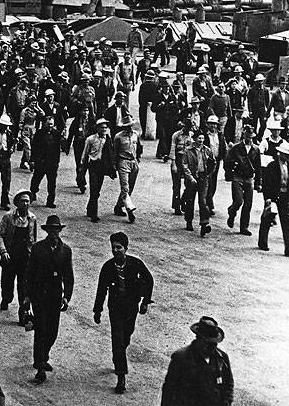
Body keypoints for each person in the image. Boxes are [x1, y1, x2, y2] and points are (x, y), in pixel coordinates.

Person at [92, 232, 154, 394]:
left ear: (125, 248)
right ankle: (121, 376)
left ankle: (118, 356)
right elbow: (101, 290)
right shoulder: (107, 267)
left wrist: (145, 301)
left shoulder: (135, 264)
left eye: (119, 247)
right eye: (113, 248)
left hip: (131, 307)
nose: (115, 251)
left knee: (126, 336)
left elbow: (149, 280)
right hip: (115, 308)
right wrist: (97, 310)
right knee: (118, 339)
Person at [24, 214, 74, 384]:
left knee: (53, 331)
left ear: (60, 231)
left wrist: (66, 296)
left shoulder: (66, 250)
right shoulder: (38, 248)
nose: (54, 232)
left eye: (56, 229)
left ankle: (43, 356)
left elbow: (68, 276)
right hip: (39, 295)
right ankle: (39, 366)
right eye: (51, 229)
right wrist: (27, 296)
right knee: (41, 330)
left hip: (55, 296)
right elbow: (29, 273)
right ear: (47, 231)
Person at [161, 316, 234, 406]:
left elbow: (229, 384)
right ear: (198, 338)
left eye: (214, 343)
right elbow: (169, 389)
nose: (212, 347)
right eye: (208, 343)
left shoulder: (222, 358)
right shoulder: (181, 358)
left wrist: (226, 402)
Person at [0, 190, 37, 325]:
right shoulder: (8, 217)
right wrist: (3, 252)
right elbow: (0, 235)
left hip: (25, 257)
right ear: (17, 203)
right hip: (10, 255)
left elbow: (33, 239)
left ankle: (23, 312)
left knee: (24, 286)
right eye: (22, 201)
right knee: (7, 282)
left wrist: (33, 257)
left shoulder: (32, 219)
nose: (25, 204)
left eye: (27, 201)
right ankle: (6, 298)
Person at [257, 141, 289, 256]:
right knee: (268, 218)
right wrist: (268, 198)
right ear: (280, 154)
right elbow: (266, 183)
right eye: (286, 155)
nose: (288, 157)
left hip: (285, 196)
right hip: (273, 196)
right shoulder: (272, 166)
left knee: (288, 222)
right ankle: (263, 242)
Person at [224, 125, 262, 237]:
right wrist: (230, 173)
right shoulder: (236, 148)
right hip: (238, 177)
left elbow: (258, 167)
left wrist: (258, 183)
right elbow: (227, 162)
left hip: (249, 178)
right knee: (238, 201)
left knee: (248, 203)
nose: (249, 139)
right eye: (247, 137)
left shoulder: (256, 149)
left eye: (251, 137)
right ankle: (232, 212)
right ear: (243, 136)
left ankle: (244, 227)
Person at [181, 131, 216, 237]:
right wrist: (190, 178)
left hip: (203, 177)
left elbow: (213, 162)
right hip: (192, 178)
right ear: (194, 139)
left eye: (202, 138)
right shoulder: (188, 151)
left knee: (203, 201)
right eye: (199, 138)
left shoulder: (207, 150)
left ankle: (204, 224)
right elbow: (184, 165)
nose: (201, 140)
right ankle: (189, 221)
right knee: (190, 200)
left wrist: (208, 174)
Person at [82, 118, 115, 223]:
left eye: (105, 127)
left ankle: (90, 208)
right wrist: (82, 167)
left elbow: (111, 154)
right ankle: (94, 214)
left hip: (102, 166)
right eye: (102, 127)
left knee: (97, 190)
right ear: (97, 128)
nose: (104, 129)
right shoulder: (90, 139)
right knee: (94, 188)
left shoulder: (108, 139)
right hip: (93, 166)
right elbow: (85, 154)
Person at [112, 114, 142, 223]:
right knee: (125, 187)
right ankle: (130, 210)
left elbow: (139, 147)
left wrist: (138, 159)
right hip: (122, 161)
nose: (129, 128)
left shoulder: (135, 134)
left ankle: (118, 206)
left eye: (130, 126)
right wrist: (114, 164)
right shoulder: (118, 137)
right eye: (127, 126)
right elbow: (114, 151)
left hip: (133, 162)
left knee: (131, 186)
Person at [29, 115, 62, 208]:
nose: (50, 126)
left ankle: (50, 201)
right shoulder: (39, 134)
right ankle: (33, 192)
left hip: (52, 163)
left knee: (52, 183)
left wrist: (57, 162)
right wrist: (32, 160)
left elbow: (57, 149)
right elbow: (34, 147)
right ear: (44, 124)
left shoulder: (57, 134)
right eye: (48, 124)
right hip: (41, 162)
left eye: (51, 124)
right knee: (36, 179)